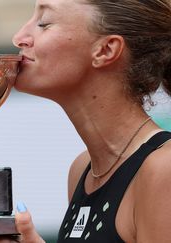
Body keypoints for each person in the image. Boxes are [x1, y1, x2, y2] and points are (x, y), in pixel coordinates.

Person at [11, 0, 171, 242]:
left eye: (44, 23)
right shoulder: (82, 170)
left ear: (106, 50)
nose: (19, 37)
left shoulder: (164, 170)